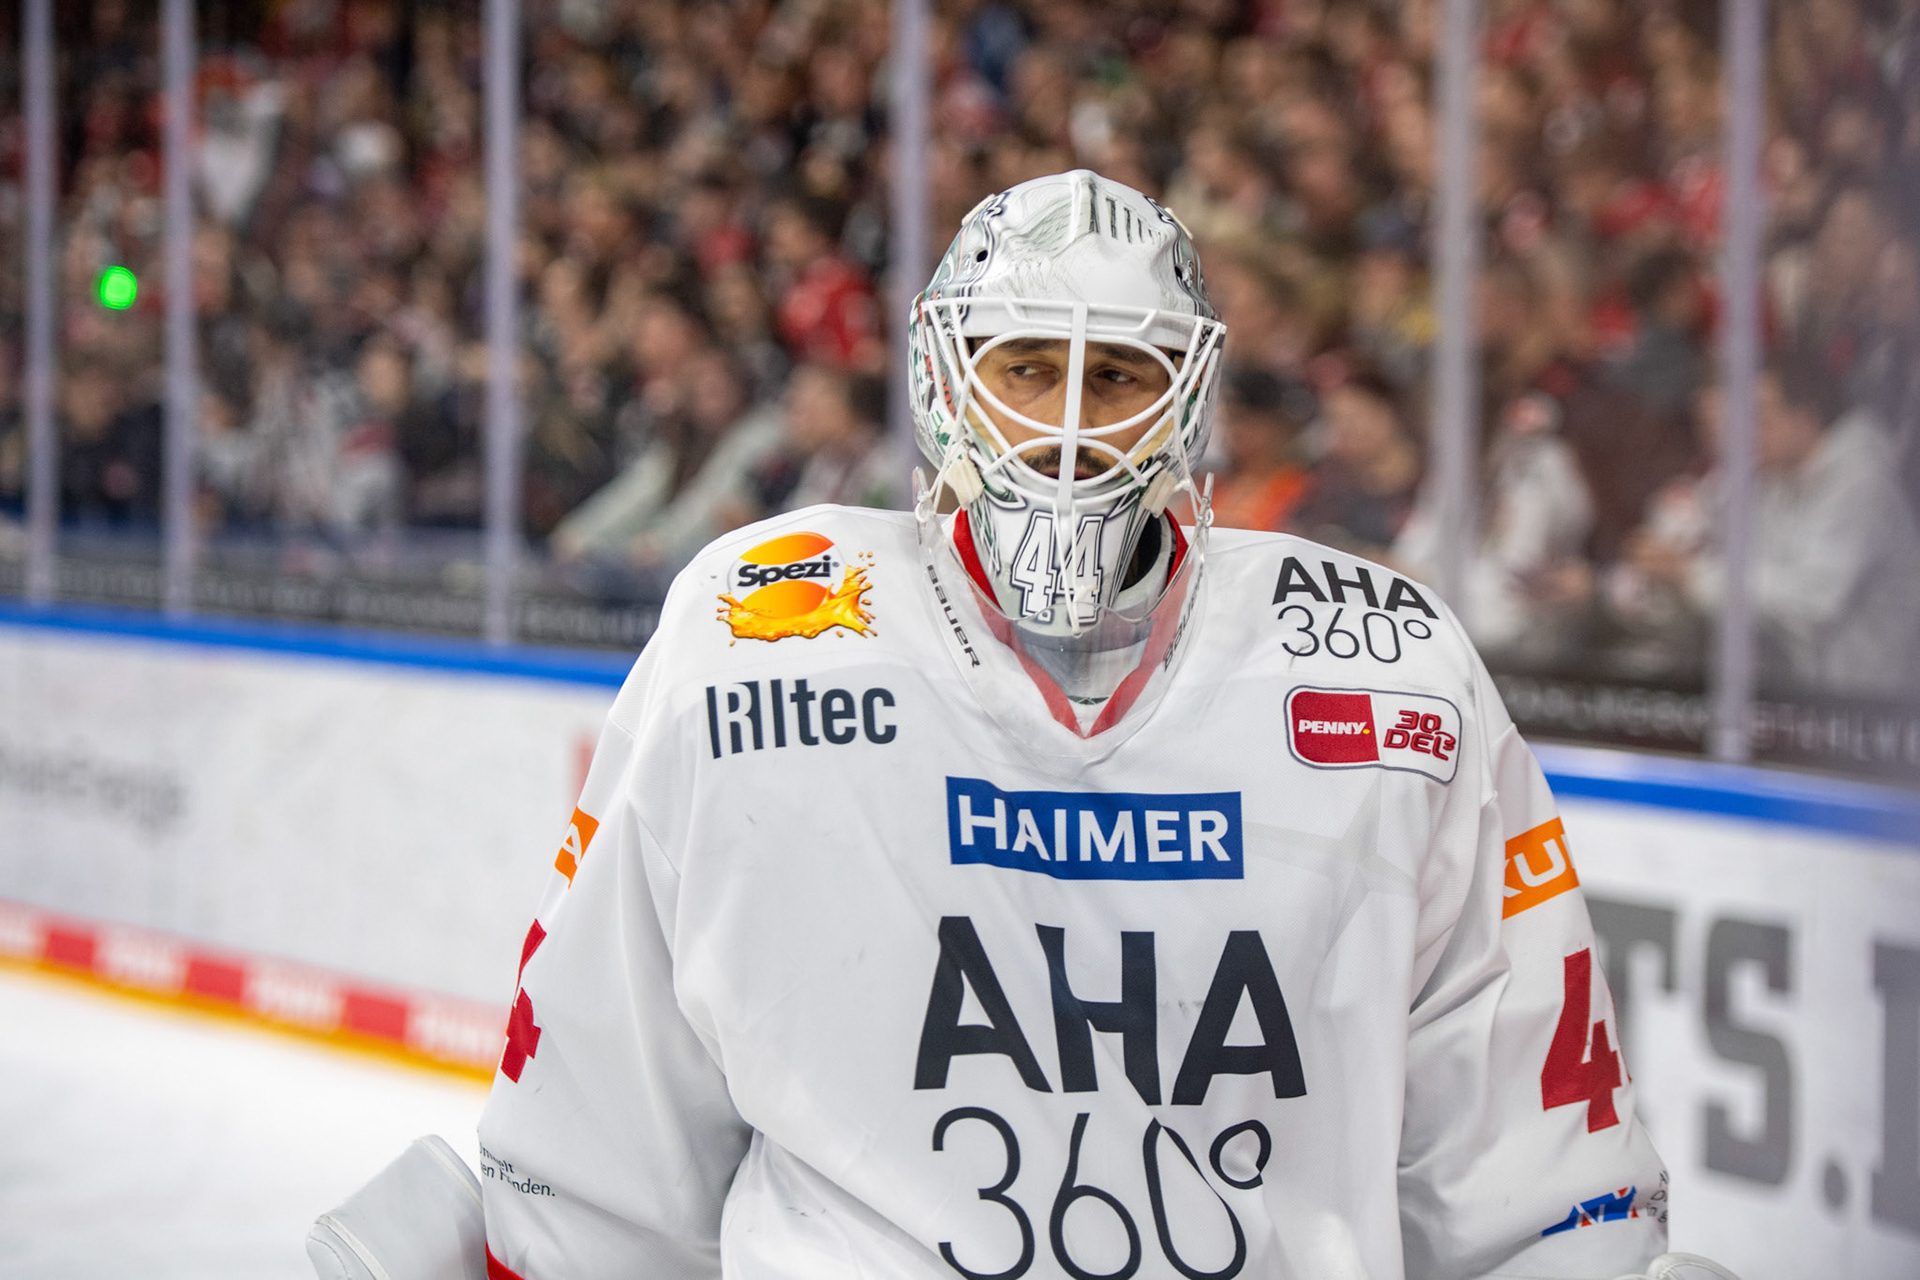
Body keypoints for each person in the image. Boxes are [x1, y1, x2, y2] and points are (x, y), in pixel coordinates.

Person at [475, 172, 1727, 1280]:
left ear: (1186, 395)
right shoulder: (751, 631)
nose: (1069, 431)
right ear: (942, 376)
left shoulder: (1392, 665)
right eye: (1025, 367)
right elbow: (599, 1152)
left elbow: (1536, 1179)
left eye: (1118, 374)